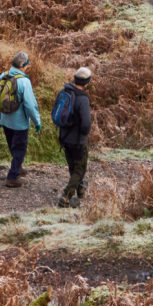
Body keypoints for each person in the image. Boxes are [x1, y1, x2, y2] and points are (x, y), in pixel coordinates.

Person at [0, 50, 42, 188]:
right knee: (20, 148)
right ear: (24, 66)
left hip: (5, 120)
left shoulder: (3, 75)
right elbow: (30, 105)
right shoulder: (24, 81)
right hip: (19, 122)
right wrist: (37, 122)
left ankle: (18, 167)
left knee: (12, 145)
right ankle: (12, 176)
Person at [57, 66, 92, 209]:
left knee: (73, 166)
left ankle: (80, 189)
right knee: (80, 169)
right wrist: (85, 134)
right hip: (78, 141)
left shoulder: (64, 92)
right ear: (87, 83)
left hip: (64, 137)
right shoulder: (83, 99)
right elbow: (86, 123)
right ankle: (65, 197)